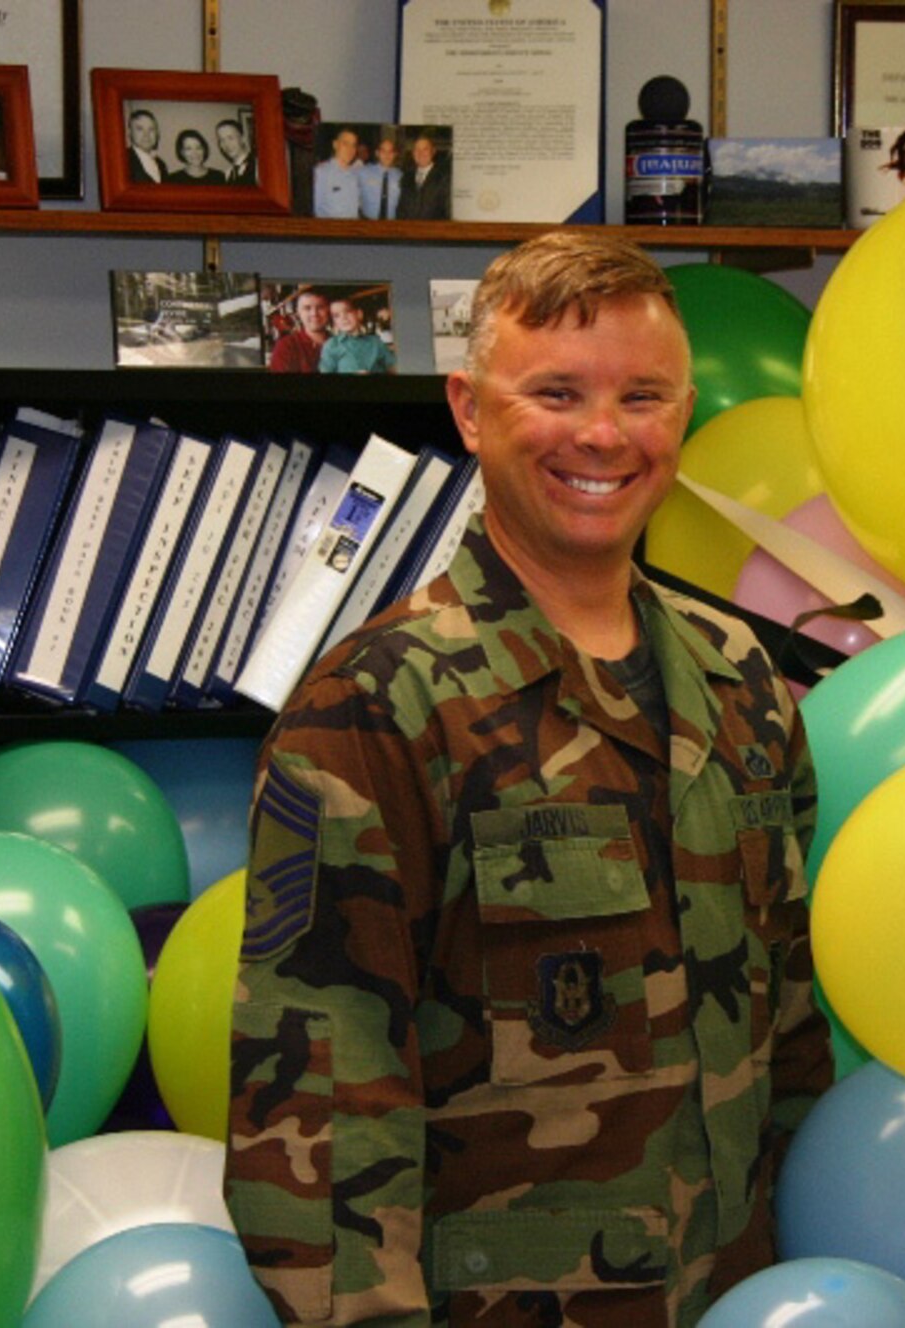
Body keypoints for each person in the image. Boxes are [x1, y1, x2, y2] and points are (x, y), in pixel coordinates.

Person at [225, 231, 830, 1326]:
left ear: (683, 414)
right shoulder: (375, 707)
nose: (602, 434)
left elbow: (792, 1039)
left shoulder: (743, 679)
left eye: (641, 396)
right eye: (555, 391)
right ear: (467, 409)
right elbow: (317, 1112)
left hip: (740, 1291)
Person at [316, 297, 395, 374]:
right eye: (337, 315)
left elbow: (393, 368)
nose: (343, 318)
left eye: (347, 311)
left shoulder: (376, 342)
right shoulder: (331, 345)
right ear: (334, 322)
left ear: (359, 314)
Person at [266, 286, 329, 373]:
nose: (314, 313)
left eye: (320, 307)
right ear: (298, 313)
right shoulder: (286, 347)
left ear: (328, 311)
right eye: (307, 308)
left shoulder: (342, 343)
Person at [394, 129, 451, 220]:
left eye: (425, 149)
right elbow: (401, 208)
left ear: (433, 151)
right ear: (412, 153)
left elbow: (448, 211)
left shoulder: (445, 177)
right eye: (416, 149)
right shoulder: (406, 177)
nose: (420, 153)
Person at [311, 125, 360, 218]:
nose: (350, 149)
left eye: (353, 145)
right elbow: (315, 209)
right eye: (345, 144)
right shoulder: (321, 173)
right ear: (335, 144)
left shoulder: (356, 174)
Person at [357, 133, 403, 220]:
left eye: (391, 151)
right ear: (377, 153)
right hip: (367, 222)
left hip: (392, 225)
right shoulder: (363, 172)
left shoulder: (401, 176)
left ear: (395, 154)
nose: (387, 155)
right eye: (383, 151)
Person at [125, 108, 167, 183]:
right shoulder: (123, 160)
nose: (146, 135)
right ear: (130, 132)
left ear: (157, 133)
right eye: (140, 129)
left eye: (151, 129)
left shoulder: (161, 165)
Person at [216, 118, 257, 186]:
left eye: (230, 138)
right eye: (222, 140)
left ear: (242, 139)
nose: (226, 144)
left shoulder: (258, 166)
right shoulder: (228, 174)